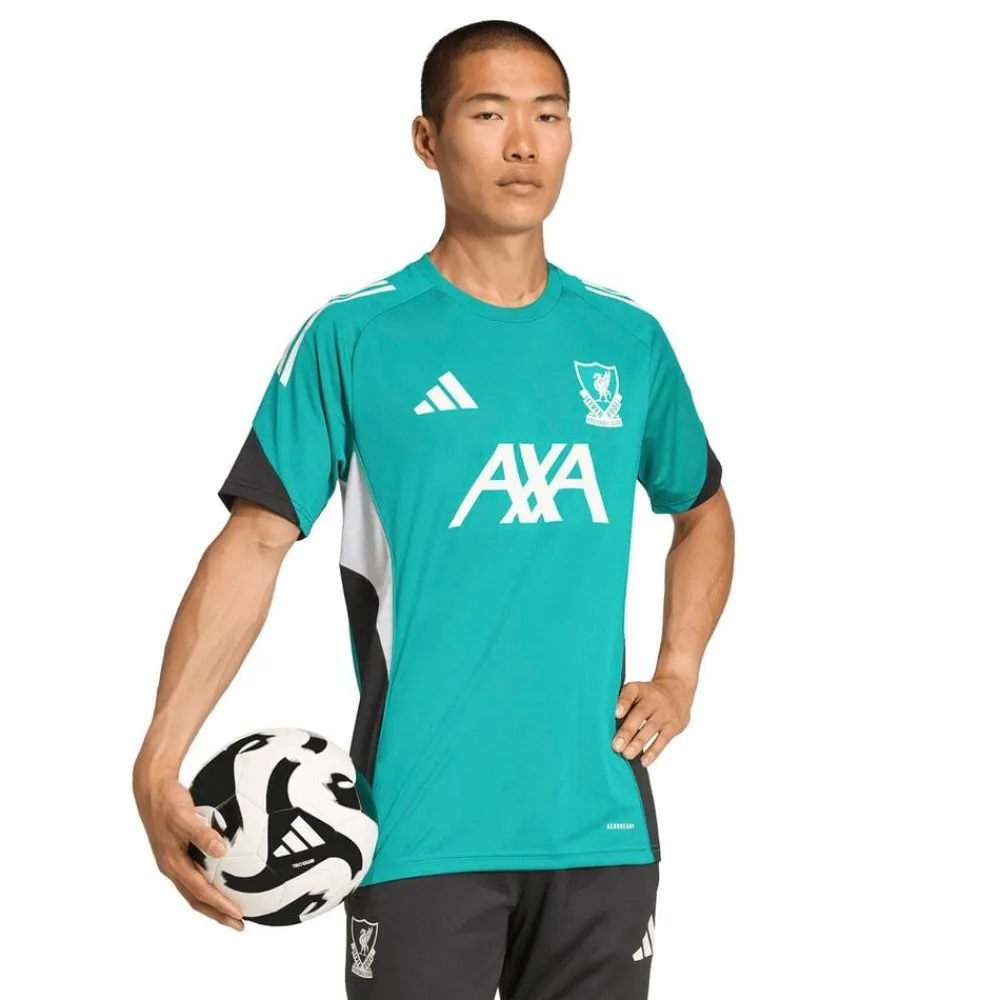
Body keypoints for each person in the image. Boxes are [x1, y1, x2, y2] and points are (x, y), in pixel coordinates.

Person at [133, 18, 735, 1000]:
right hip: (415, 828)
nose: (523, 144)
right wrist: (160, 755)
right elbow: (254, 541)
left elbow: (701, 508)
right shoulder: (358, 335)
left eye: (548, 116)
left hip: (601, 827)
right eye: (489, 115)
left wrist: (677, 672)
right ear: (427, 140)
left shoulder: (627, 341)